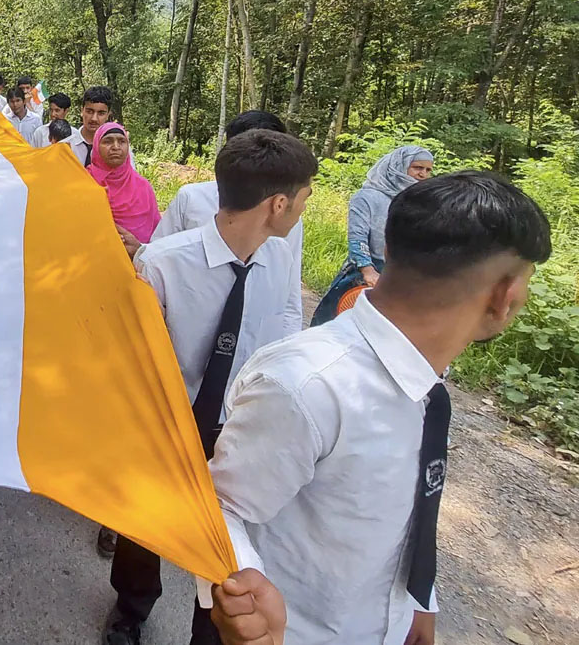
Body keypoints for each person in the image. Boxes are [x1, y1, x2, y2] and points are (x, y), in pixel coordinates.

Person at [209, 171, 551, 645]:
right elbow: (221, 505)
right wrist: (245, 594)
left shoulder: (426, 386)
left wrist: (417, 600)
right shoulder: (307, 387)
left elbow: (403, 507)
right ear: (505, 296)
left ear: (388, 249)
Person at [106, 129, 317, 645]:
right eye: (304, 198)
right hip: (169, 423)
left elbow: (286, 318)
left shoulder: (279, 258)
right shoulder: (161, 264)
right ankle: (131, 607)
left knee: (229, 547)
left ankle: (212, 632)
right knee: (146, 525)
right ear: (278, 204)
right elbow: (134, 361)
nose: (302, 209)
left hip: (243, 424)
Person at [153, 110, 303, 334]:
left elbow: (290, 294)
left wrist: (287, 346)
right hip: (187, 329)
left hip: (253, 333)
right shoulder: (191, 198)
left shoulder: (288, 218)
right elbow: (159, 259)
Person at [311, 145, 435, 326]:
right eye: (417, 167)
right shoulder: (366, 197)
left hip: (401, 277)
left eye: (428, 170)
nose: (423, 174)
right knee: (333, 327)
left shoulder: (420, 203)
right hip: (363, 275)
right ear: (398, 166)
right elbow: (357, 237)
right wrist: (367, 270)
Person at [86, 122, 159, 245]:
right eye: (108, 141)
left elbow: (157, 232)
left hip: (138, 254)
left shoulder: (143, 187)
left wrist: (138, 249)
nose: (116, 147)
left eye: (121, 141)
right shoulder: (85, 182)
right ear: (97, 147)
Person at [71, 86, 114, 165]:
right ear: (82, 111)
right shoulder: (67, 145)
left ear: (108, 115)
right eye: (89, 111)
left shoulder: (116, 148)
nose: (94, 118)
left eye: (101, 113)